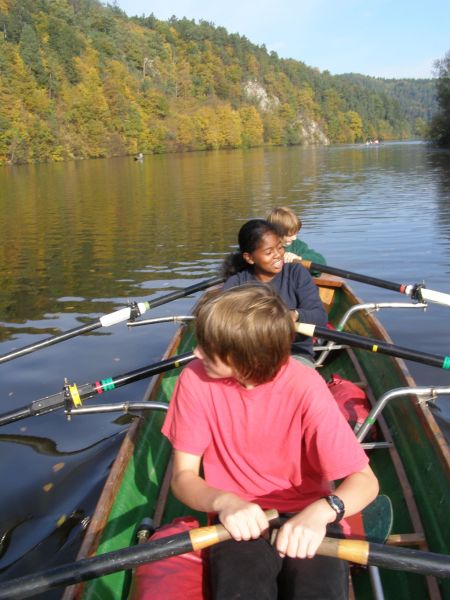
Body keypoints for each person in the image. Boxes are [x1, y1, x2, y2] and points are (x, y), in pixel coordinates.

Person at [162, 284, 379, 600]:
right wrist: (225, 502)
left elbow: (365, 482)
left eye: (208, 348)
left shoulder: (305, 385)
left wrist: (321, 512)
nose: (196, 353)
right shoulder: (194, 379)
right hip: (237, 517)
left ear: (246, 357)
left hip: (308, 513)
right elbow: (183, 479)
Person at [221, 218, 327, 366]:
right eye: (269, 252)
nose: (278, 255)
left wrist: (295, 315)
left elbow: (320, 319)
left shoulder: (297, 273)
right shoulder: (236, 283)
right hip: (250, 355)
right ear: (250, 258)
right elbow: (221, 324)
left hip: (294, 354)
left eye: (280, 247)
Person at [266, 206, 326, 275]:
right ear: (276, 233)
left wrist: (299, 258)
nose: (294, 238)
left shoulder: (297, 245)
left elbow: (321, 262)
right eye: (289, 235)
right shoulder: (264, 246)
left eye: (296, 234)